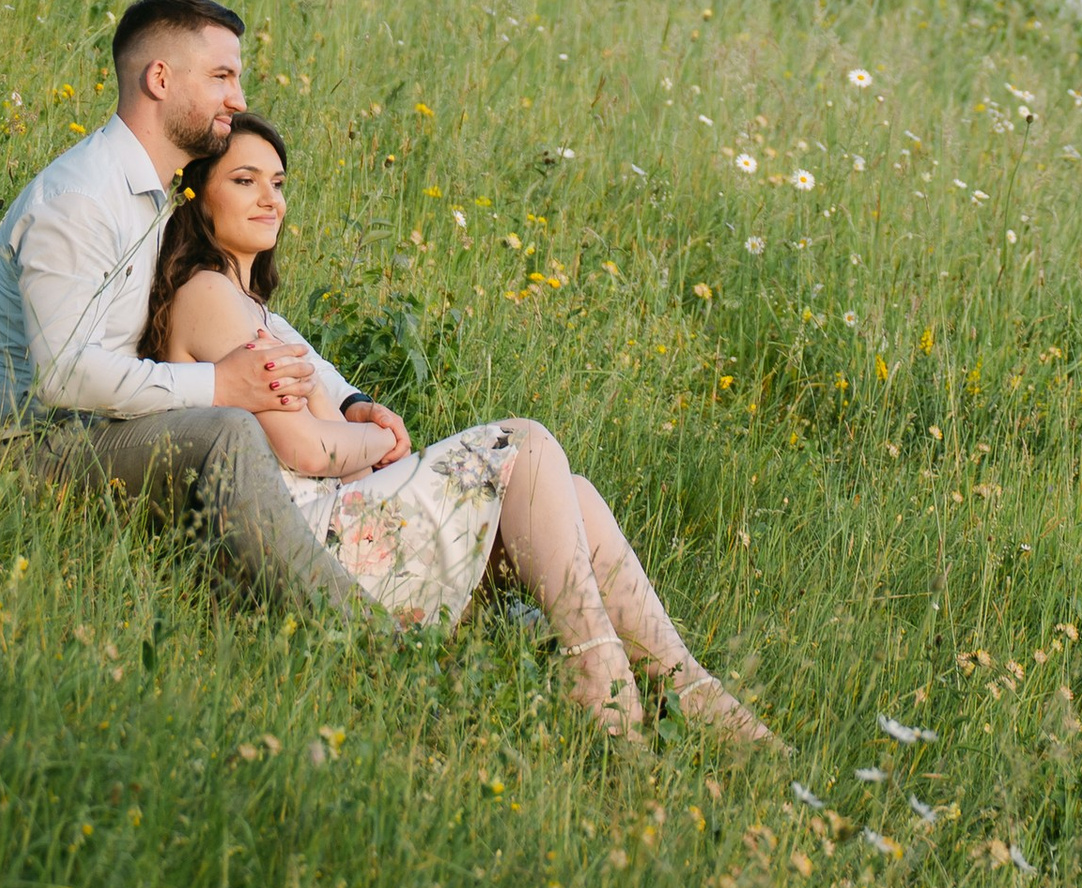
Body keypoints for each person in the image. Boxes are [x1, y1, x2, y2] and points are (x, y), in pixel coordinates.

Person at [139, 110, 778, 746]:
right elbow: (307, 449)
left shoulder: (249, 306)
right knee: (523, 443)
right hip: (310, 548)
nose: (270, 200)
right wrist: (379, 441)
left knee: (573, 497)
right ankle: (600, 671)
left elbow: (320, 432)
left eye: (277, 183)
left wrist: (355, 423)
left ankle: (684, 685)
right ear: (198, 197)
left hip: (342, 521)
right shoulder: (207, 293)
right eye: (245, 181)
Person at [0, 0, 413, 618]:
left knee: (243, 424)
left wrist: (348, 402)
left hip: (112, 433)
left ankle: (392, 581)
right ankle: (360, 630)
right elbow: (63, 374)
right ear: (160, 79)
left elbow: (252, 319)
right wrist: (219, 384)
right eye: (222, 76)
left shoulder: (157, 199)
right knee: (227, 428)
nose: (239, 98)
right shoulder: (79, 200)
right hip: (27, 454)